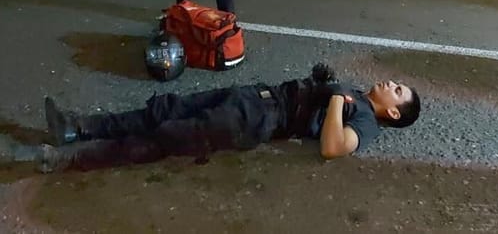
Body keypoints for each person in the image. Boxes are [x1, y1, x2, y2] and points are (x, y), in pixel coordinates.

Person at [2, 65, 421, 172]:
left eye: (398, 90)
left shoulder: (367, 125)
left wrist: (333, 101)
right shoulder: (356, 94)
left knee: (168, 135)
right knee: (163, 109)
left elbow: (332, 148)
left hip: (257, 120)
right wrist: (324, 83)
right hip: (256, 95)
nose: (391, 83)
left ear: (393, 112)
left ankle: (67, 159)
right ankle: (77, 127)